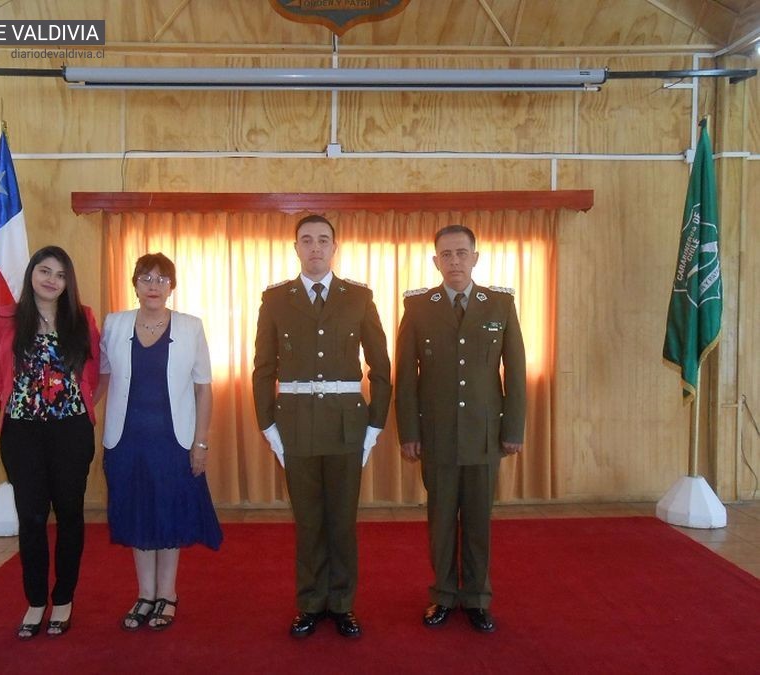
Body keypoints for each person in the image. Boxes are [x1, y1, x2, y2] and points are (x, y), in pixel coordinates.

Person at [252, 214, 392, 639]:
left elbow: (381, 367)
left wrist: (375, 425)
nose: (315, 247)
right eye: (307, 240)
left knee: (342, 521)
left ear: (335, 247)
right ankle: (311, 602)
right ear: (296, 248)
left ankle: (342, 604)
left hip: (348, 424)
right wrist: (267, 426)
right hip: (295, 425)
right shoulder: (275, 299)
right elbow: (263, 368)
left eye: (323, 240)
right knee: (309, 520)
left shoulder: (359, 297)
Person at [395, 224, 526, 634]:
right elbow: (406, 377)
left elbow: (516, 371)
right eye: (446, 254)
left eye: (461, 253)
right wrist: (409, 432)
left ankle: (477, 598)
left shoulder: (500, 305)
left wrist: (513, 428)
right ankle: (443, 596)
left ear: (475, 257)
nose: (454, 261)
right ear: (436, 261)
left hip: (485, 435)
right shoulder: (418, 308)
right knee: (440, 521)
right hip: (436, 436)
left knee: (478, 520)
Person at [100, 252, 222, 632]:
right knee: (138, 514)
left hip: (173, 439)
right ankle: (145, 594)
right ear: (134, 284)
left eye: (162, 279)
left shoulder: (190, 327)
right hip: (126, 439)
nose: (154, 285)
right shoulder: (114, 323)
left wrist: (200, 443)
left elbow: (204, 388)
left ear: (173, 287)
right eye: (146, 278)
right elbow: (102, 377)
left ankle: (167, 594)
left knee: (168, 516)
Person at [0, 245, 101, 640]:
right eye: (45, 271)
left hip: (70, 431)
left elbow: (94, 373)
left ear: (68, 282)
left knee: (69, 514)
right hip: (22, 434)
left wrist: (75, 408)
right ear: (32, 274)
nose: (52, 280)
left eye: (60, 274)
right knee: (32, 518)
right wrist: (23, 408)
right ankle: (36, 602)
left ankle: (64, 599)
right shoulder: (5, 318)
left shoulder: (82, 319)